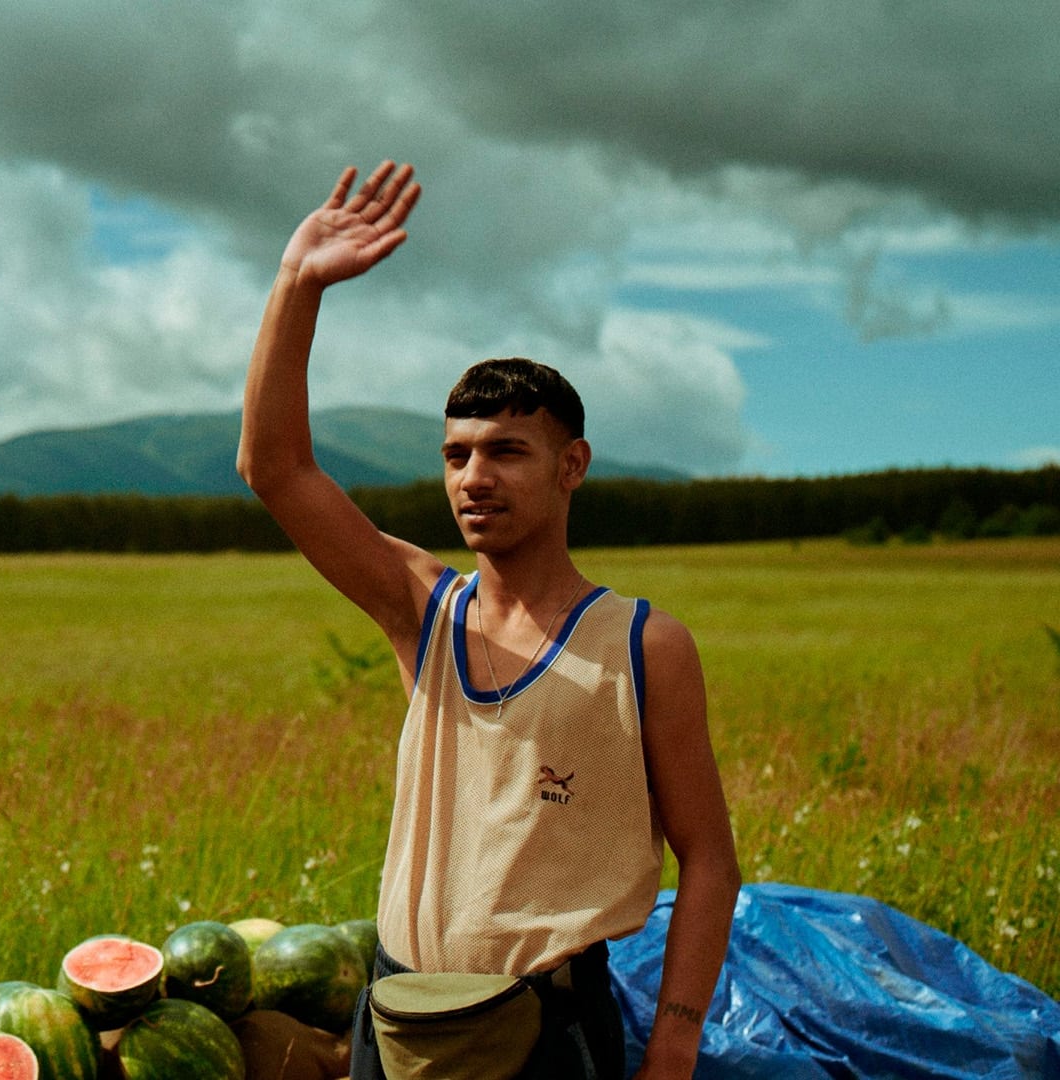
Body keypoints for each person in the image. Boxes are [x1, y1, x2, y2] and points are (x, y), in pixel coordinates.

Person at [237, 161, 740, 1079]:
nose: (474, 478)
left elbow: (708, 859)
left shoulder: (643, 645)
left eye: (506, 451)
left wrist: (675, 1039)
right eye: (456, 454)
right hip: (399, 1014)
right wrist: (297, 283)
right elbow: (275, 468)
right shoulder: (421, 608)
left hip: (546, 1032)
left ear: (571, 465)